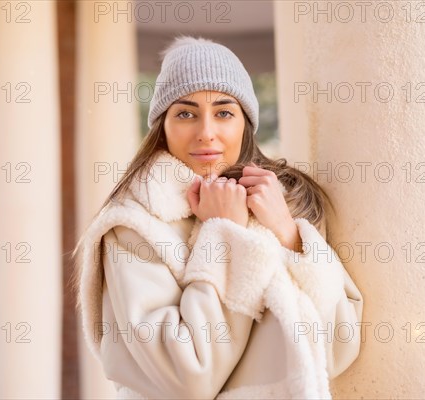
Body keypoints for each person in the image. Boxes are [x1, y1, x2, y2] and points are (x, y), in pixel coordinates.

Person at [74, 36, 363, 399]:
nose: (206, 132)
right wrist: (224, 235)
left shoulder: (282, 203)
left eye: (224, 112)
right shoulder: (135, 227)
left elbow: (340, 344)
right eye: (186, 113)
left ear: (246, 123)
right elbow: (188, 377)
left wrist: (289, 235)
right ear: (162, 127)